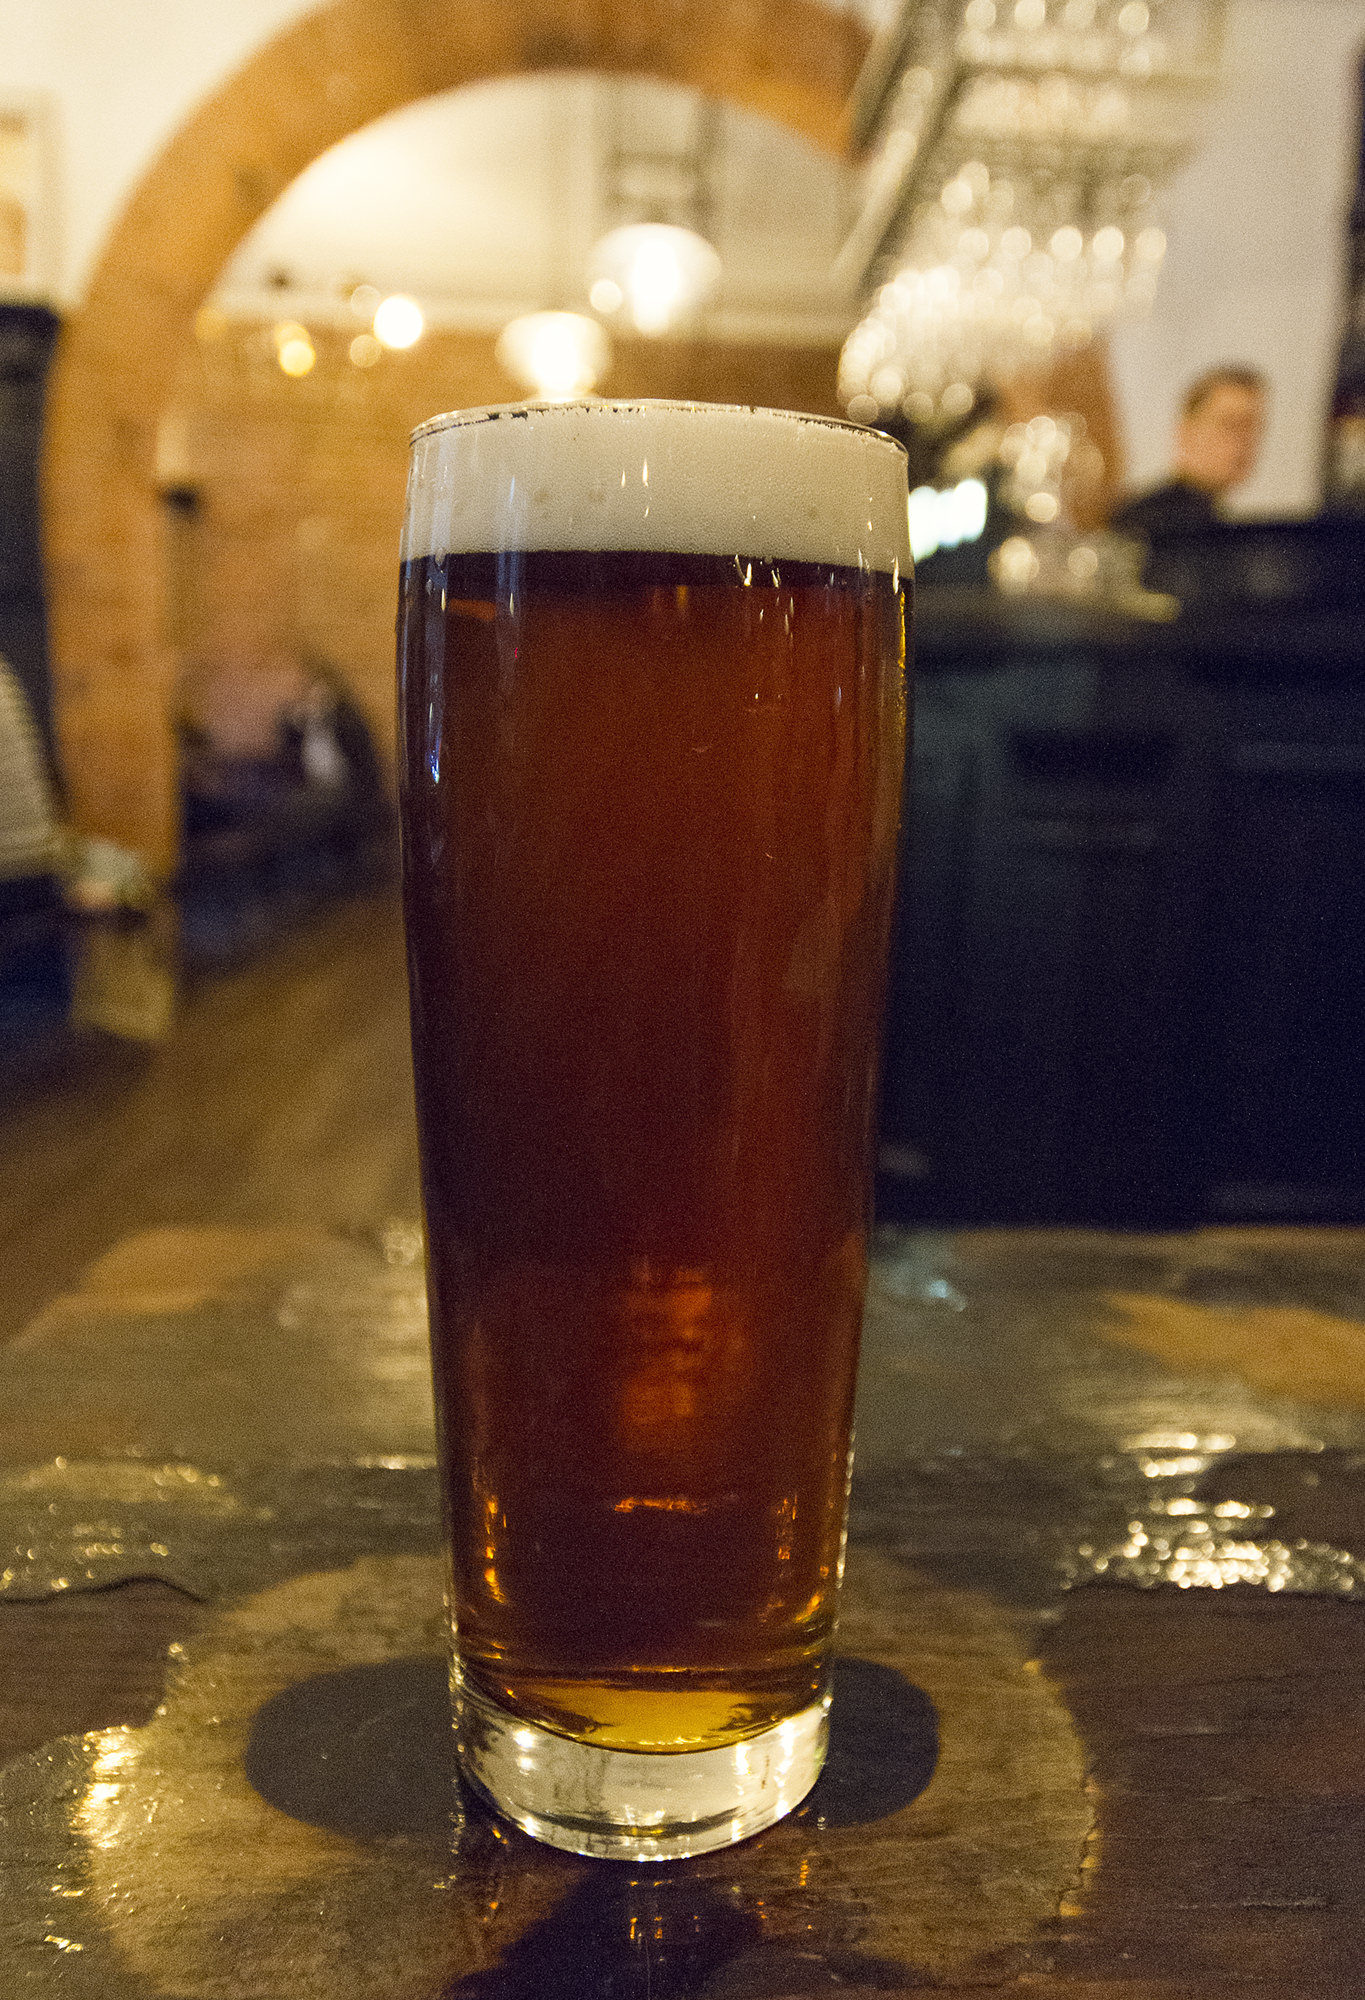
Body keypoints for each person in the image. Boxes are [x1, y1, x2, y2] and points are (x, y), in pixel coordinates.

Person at [1110, 365, 1267, 540]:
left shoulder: (1210, 515)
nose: (1244, 439)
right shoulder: (1155, 521)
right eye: (1229, 423)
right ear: (1186, 433)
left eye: (1251, 426)